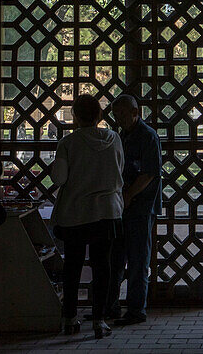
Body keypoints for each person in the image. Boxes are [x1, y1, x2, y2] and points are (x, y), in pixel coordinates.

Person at [50, 93, 124, 339]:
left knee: (73, 265)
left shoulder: (68, 144)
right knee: (102, 266)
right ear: (99, 115)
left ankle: (70, 319)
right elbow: (119, 171)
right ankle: (100, 320)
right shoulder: (114, 140)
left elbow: (58, 178)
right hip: (107, 211)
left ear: (75, 116)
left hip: (75, 213)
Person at [106, 95, 162, 326]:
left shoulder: (147, 136)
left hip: (141, 207)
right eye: (115, 115)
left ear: (134, 112)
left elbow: (150, 173)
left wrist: (130, 195)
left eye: (121, 114)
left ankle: (136, 309)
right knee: (115, 258)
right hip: (122, 207)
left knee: (139, 260)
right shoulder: (121, 135)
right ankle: (110, 306)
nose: (118, 119)